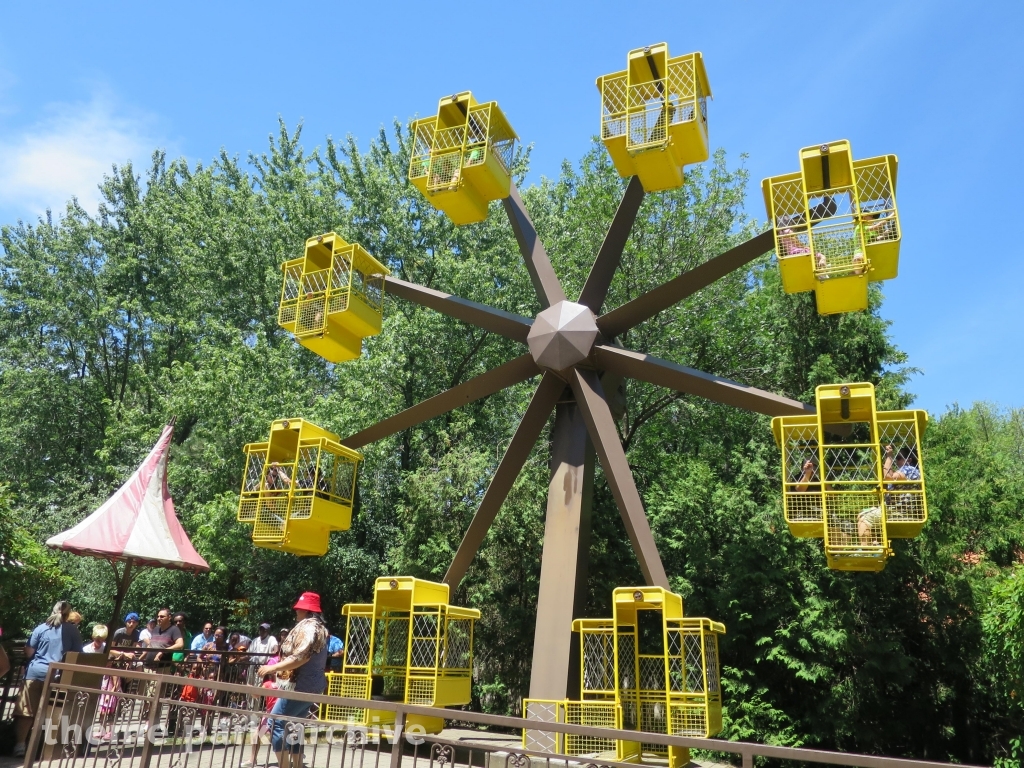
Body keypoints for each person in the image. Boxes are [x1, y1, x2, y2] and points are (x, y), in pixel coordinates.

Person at [258, 592, 329, 768]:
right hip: (311, 686)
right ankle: (296, 766)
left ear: (306, 610)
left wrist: (272, 668)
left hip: (300, 687)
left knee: (275, 723)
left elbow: (301, 657)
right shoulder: (317, 627)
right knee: (295, 726)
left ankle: (285, 766)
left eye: (299, 608)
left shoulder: (309, 628)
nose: (296, 610)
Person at [13, 601, 84, 756]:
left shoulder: (40, 628)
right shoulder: (72, 631)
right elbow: (77, 654)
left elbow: (30, 650)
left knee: (26, 711)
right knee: (53, 712)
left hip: (35, 674)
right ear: (68, 613)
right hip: (58, 677)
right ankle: (45, 749)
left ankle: (20, 746)